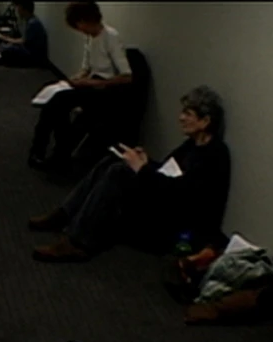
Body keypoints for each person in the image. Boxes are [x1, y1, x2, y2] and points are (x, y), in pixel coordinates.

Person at [28, 85, 231, 263]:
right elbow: (168, 172)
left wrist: (142, 169)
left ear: (205, 121)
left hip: (177, 226)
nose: (181, 117)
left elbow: (180, 194)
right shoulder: (193, 146)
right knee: (115, 159)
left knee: (119, 172)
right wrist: (145, 162)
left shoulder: (213, 156)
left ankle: (79, 241)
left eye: (188, 113)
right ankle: (66, 213)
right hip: (166, 200)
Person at [28, 2, 133, 169]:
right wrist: (75, 79)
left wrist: (95, 82)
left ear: (86, 20)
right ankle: (42, 151)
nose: (79, 29)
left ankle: (56, 153)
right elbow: (86, 68)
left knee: (59, 101)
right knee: (54, 105)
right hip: (90, 85)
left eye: (79, 24)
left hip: (106, 90)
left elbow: (127, 77)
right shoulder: (90, 38)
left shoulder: (110, 37)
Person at [0, 1, 48, 68]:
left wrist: (4, 38)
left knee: (8, 48)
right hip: (32, 50)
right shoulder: (32, 20)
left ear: (24, 10)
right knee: (7, 46)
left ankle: (1, 58)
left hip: (34, 55)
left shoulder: (33, 23)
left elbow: (23, 41)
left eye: (19, 9)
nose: (18, 11)